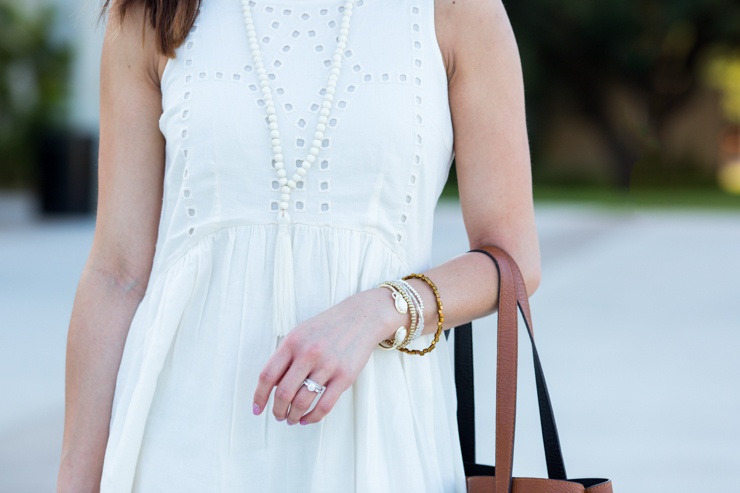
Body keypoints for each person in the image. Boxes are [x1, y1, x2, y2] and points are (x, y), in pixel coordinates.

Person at [56, 0, 540, 490]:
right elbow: (116, 275)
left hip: (376, 432)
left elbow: (512, 257)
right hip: (183, 433)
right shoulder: (151, 11)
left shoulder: (458, 10)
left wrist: (380, 309)